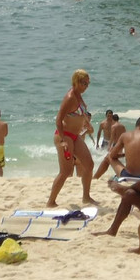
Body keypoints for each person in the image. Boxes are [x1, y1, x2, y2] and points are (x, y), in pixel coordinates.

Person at [47, 69, 96, 206]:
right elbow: (58, 119)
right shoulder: (70, 97)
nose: (86, 86)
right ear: (76, 81)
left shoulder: (79, 95)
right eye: (83, 83)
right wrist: (62, 141)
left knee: (89, 164)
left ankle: (86, 197)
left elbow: (81, 114)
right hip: (65, 135)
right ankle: (51, 202)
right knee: (66, 171)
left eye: (88, 83)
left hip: (75, 136)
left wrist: (87, 124)